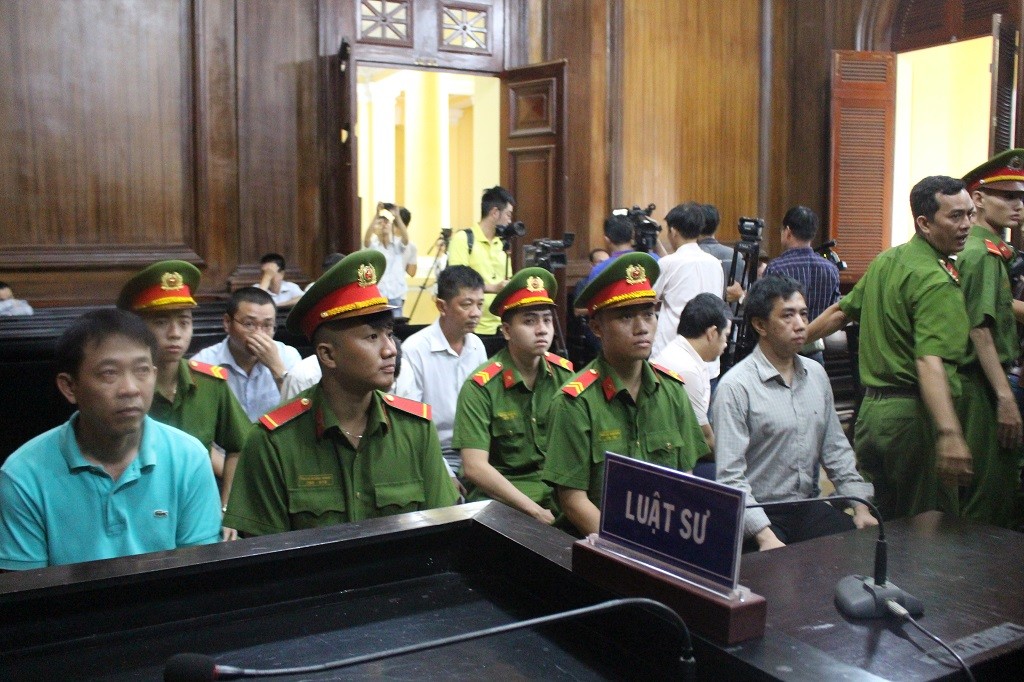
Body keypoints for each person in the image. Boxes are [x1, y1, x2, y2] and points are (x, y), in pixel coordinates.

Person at [223, 250, 458, 536]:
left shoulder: (415, 430)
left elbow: (440, 534)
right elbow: (266, 554)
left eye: (388, 333)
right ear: (328, 355)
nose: (390, 350)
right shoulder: (273, 442)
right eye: (372, 337)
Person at [805, 175, 974, 521]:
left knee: (876, 522)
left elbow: (840, 312)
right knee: (928, 524)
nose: (967, 225)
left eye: (970, 214)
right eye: (955, 216)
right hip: (915, 419)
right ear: (924, 223)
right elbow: (929, 361)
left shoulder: (887, 261)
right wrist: (949, 432)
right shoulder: (935, 279)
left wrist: (793, 341)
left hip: (871, 416)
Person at [0, 309, 221, 569]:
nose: (130, 389)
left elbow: (198, 575)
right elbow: (27, 588)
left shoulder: (189, 458)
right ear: (70, 387)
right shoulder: (23, 475)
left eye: (142, 370)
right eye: (109, 373)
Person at [542, 253, 709, 537]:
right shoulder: (576, 402)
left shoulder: (672, 391)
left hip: (662, 537)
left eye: (648, 314)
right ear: (597, 328)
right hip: (595, 542)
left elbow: (685, 479)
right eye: (626, 316)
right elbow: (572, 500)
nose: (642, 327)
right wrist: (629, 548)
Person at [714, 276, 876, 552]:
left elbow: (836, 450)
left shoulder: (816, 375)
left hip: (806, 506)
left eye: (804, 314)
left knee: (857, 549)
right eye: (787, 316)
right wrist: (765, 537)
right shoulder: (736, 387)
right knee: (775, 568)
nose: (801, 324)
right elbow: (730, 478)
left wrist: (860, 506)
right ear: (760, 325)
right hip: (759, 513)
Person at [117, 261, 251, 510]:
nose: (175, 333)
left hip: (199, 508)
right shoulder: (124, 391)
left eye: (184, 322)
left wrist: (226, 507)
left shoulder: (210, 384)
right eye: (160, 322)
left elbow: (241, 447)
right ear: (136, 329)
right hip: (137, 508)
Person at [451, 267, 575, 524]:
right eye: (529, 321)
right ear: (506, 331)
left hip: (560, 497)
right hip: (504, 506)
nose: (542, 330)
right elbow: (475, 467)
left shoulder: (565, 376)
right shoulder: (481, 387)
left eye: (547, 320)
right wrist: (535, 512)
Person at [955, 150, 1024, 528]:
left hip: (980, 381)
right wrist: (1005, 398)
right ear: (978, 199)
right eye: (1007, 197)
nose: (1017, 205)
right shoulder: (983, 254)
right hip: (981, 384)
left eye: (1020, 197)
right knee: (988, 494)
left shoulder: (986, 249)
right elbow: (978, 330)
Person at [395, 265, 488, 473]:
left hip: (477, 448)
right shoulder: (415, 350)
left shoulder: (477, 346)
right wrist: (444, 471)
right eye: (466, 304)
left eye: (480, 304)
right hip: (435, 453)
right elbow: (411, 424)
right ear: (441, 306)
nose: (476, 313)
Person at [191, 287, 302, 421]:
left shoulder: (288, 356)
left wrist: (277, 369)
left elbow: (302, 412)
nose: (259, 334)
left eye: (267, 325)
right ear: (227, 322)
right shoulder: (204, 363)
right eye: (249, 324)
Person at [651, 293, 731, 453]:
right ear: (712, 333)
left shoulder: (679, 351)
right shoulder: (687, 370)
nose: (726, 344)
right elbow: (704, 440)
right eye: (726, 336)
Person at [763, 205, 840, 365]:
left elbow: (765, 309)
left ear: (788, 231)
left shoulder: (776, 268)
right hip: (816, 352)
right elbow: (834, 310)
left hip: (782, 352)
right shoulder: (831, 269)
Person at [651, 202, 725, 359]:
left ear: (673, 231)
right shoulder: (715, 263)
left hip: (672, 351)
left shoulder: (667, 263)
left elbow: (651, 298)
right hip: (708, 350)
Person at [446, 186, 515, 336]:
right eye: (508, 215)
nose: (510, 221)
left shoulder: (502, 244)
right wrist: (493, 288)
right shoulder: (463, 239)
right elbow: (458, 282)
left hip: (500, 326)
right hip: (472, 327)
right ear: (495, 212)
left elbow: (507, 281)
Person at [363, 202, 417, 317]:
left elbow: (406, 239)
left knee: (396, 324)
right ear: (375, 229)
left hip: (395, 294)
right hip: (378, 294)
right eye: (380, 223)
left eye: (386, 222)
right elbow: (366, 240)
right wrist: (376, 214)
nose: (383, 225)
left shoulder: (396, 245)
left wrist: (397, 216)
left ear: (391, 226)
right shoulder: (374, 246)